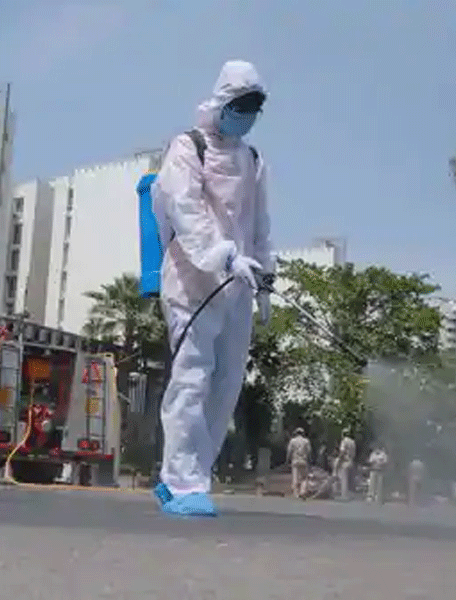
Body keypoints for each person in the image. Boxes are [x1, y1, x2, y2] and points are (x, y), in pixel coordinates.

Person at [150, 60, 273, 517]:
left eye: (254, 109)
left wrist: (265, 281)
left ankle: (190, 476)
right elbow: (185, 211)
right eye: (240, 106)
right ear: (222, 101)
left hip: (237, 286)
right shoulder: (188, 147)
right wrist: (224, 255)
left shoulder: (253, 160)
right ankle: (181, 481)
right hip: (192, 283)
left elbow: (259, 226)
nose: (246, 116)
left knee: (227, 384)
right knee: (192, 378)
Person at [286, 427, 311, 499]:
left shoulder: (292, 441)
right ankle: (302, 491)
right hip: (303, 460)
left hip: (295, 460)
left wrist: (287, 460)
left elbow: (289, 451)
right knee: (304, 478)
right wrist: (309, 459)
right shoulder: (306, 441)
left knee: (295, 477)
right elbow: (309, 451)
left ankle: (296, 493)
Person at [335, 428, 356, 500]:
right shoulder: (352, 442)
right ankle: (350, 494)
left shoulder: (344, 441)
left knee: (344, 479)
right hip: (351, 461)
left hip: (345, 462)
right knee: (350, 479)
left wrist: (339, 459)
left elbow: (342, 451)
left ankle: (344, 495)